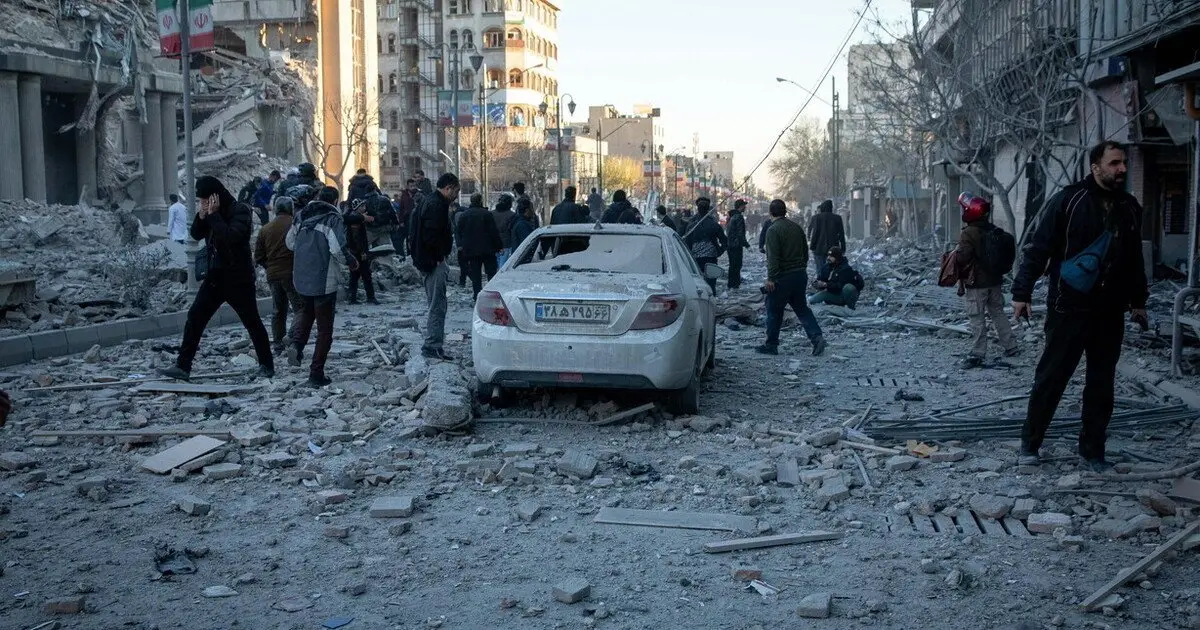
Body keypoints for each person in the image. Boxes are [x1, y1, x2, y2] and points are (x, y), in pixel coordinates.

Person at [1012, 141, 1148, 470]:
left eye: (1124, 162)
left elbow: (1134, 259)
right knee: (1051, 377)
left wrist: (1138, 301)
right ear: (1095, 167)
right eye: (1114, 163)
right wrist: (1022, 292)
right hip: (1068, 307)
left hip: (1109, 311)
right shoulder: (1068, 201)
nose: (1122, 169)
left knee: (1101, 384)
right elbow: (1039, 248)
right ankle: (1030, 444)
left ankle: (1092, 452)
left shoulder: (1130, 207)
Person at [160, 176, 274, 380]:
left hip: (238, 278)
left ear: (216, 196)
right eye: (201, 201)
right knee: (195, 317)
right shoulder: (211, 213)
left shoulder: (240, 210)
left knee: (252, 321)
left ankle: (267, 365)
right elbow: (196, 234)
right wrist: (202, 216)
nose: (204, 203)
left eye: (206, 200)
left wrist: (213, 216)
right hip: (215, 277)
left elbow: (231, 237)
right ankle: (183, 366)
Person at [286, 186, 355, 387]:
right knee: (325, 330)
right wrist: (351, 261)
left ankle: (297, 345)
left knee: (307, 313)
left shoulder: (301, 216)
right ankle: (316, 373)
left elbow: (290, 243)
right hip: (324, 278)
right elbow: (337, 249)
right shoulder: (332, 218)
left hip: (301, 277)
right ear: (334, 201)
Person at [955, 194, 1018, 368]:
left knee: (977, 317)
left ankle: (978, 352)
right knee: (998, 313)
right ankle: (1011, 346)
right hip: (995, 282)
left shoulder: (968, 233)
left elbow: (963, 258)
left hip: (977, 284)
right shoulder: (994, 230)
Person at [757, 199, 826, 357]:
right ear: (785, 211)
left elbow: (773, 257)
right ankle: (817, 338)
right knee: (802, 308)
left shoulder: (773, 230)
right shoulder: (796, 227)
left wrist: (771, 278)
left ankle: (771, 345)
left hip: (782, 277)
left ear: (770, 212)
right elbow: (805, 252)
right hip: (799, 275)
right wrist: (801, 268)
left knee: (774, 310)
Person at [409, 173, 459, 360]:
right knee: (437, 305)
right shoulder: (436, 205)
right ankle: (432, 345)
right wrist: (437, 258)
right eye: (456, 191)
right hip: (432, 263)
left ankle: (433, 344)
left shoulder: (430, 201)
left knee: (436, 303)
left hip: (428, 260)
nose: (456, 195)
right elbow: (431, 236)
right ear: (448, 188)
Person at [254, 196, 303, 356]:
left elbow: (259, 256)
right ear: (291, 209)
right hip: (293, 273)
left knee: (278, 310)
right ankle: (293, 339)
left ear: (275, 209)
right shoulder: (296, 225)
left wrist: (271, 267)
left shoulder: (265, 229)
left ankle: (277, 344)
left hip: (273, 274)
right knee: (301, 309)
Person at [456, 193, 504, 300]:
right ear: (481, 201)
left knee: (476, 274)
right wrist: (499, 246)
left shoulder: (464, 215)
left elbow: (458, 231)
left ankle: (477, 294)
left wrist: (461, 245)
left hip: (471, 249)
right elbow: (493, 232)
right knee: (491, 272)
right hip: (487, 249)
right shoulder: (486, 214)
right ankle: (491, 293)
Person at [683, 197, 728, 292]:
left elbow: (687, 243)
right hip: (711, 257)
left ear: (697, 208)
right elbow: (724, 241)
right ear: (708, 209)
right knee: (711, 282)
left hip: (695, 258)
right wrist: (719, 251)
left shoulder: (691, 225)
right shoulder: (714, 224)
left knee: (698, 282)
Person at [342, 197, 378, 304]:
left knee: (354, 275)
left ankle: (352, 298)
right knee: (366, 275)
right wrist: (362, 252)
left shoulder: (356, 218)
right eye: (362, 206)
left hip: (354, 252)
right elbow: (357, 238)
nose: (364, 208)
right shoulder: (356, 221)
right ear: (357, 208)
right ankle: (370, 297)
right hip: (358, 252)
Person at [808, 199, 846, 268]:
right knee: (833, 268)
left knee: (820, 269)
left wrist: (812, 246)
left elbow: (813, 232)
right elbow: (841, 234)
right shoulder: (837, 218)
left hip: (818, 248)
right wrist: (843, 249)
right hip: (834, 249)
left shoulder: (815, 218)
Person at [725, 199, 751, 290]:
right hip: (736, 245)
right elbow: (740, 234)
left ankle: (731, 284)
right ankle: (735, 285)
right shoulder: (739, 217)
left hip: (730, 245)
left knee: (732, 265)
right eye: (744, 205)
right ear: (740, 206)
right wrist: (747, 245)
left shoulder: (731, 217)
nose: (745, 207)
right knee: (737, 265)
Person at [491, 194, 517, 267]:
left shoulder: (491, 214)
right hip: (506, 244)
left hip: (493, 244)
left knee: (495, 266)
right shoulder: (512, 215)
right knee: (503, 265)